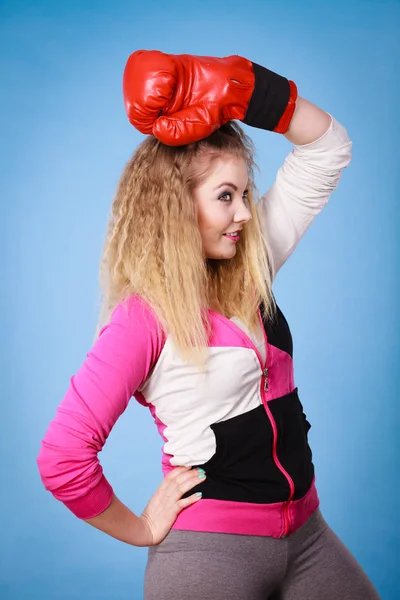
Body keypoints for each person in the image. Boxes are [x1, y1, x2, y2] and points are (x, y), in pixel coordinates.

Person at [37, 50, 381, 600]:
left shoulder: (251, 263)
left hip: (308, 538)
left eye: (245, 193)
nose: (245, 212)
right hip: (209, 553)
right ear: (175, 207)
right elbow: (63, 457)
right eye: (226, 197)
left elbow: (327, 147)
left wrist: (248, 92)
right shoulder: (141, 320)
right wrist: (140, 530)